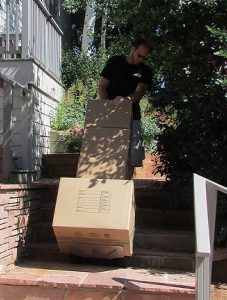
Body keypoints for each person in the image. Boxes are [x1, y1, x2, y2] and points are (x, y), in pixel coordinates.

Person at [98, 38, 153, 178]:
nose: (141, 60)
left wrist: (125, 100)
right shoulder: (115, 62)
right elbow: (102, 86)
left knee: (132, 158)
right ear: (132, 49)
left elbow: (139, 92)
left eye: (144, 57)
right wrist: (108, 107)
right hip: (109, 116)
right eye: (139, 55)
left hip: (132, 117)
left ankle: (124, 189)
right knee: (106, 154)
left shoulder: (146, 71)